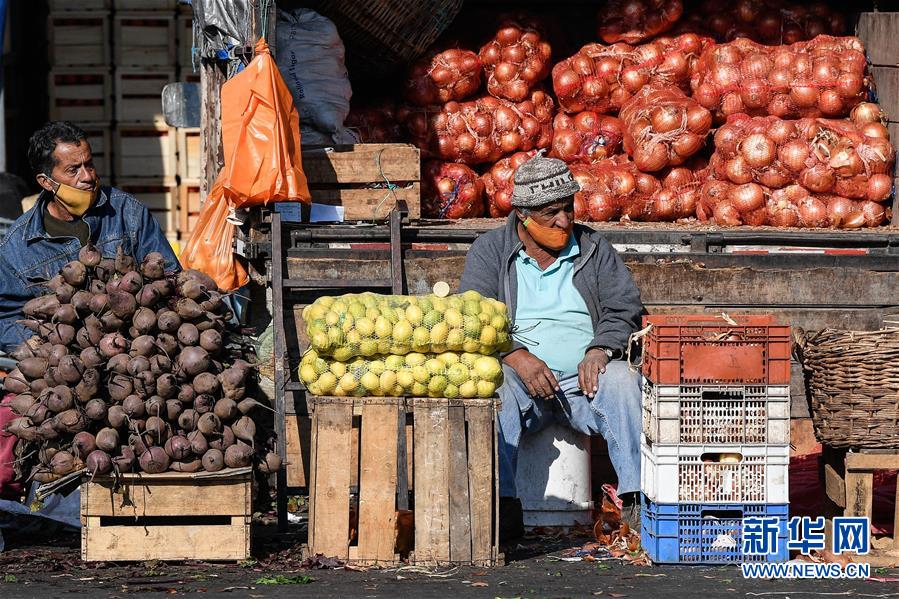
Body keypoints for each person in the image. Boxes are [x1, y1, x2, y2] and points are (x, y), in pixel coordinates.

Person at [459, 153, 644, 540]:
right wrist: (515, 355)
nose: (564, 220)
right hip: (520, 379)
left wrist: (600, 349)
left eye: (568, 208)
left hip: (583, 385)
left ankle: (636, 502)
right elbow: (474, 318)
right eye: (551, 213)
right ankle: (501, 509)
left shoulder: (593, 247)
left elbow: (623, 308)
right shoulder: (490, 251)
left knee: (624, 381)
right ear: (523, 215)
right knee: (493, 388)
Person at [0, 121, 179, 353]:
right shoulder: (17, 246)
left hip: (138, 348)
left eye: (90, 164)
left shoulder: (127, 211)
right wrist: (47, 345)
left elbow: (170, 276)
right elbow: (6, 317)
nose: (88, 176)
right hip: (67, 360)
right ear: (46, 182)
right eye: (73, 170)